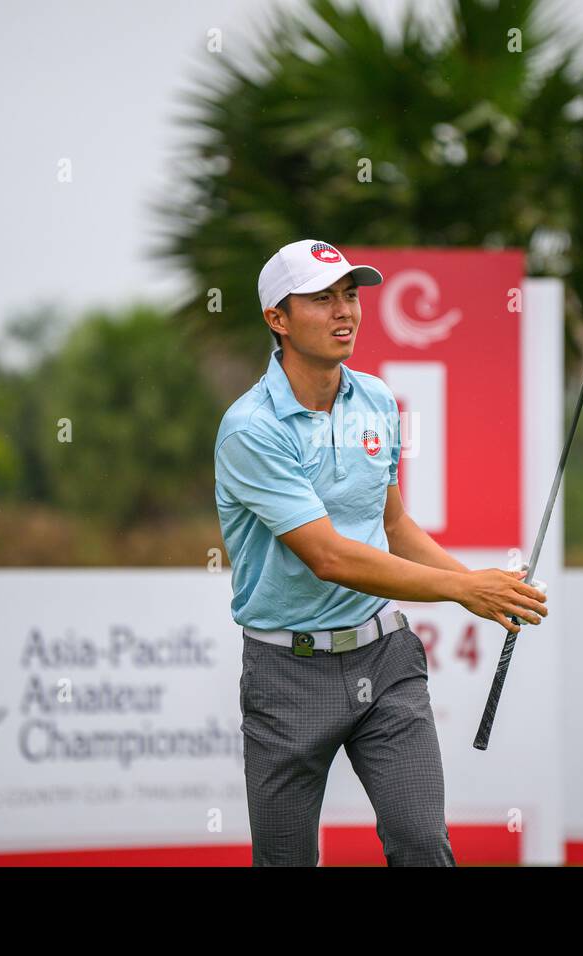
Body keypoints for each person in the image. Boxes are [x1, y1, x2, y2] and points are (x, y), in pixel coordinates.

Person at [213, 238, 548, 866]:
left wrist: (480, 584)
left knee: (423, 844)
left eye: (350, 295)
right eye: (321, 299)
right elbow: (329, 557)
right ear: (276, 319)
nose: (345, 311)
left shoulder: (375, 399)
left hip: (385, 657)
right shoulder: (250, 429)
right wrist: (462, 589)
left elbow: (393, 524)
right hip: (286, 675)